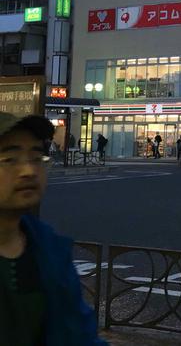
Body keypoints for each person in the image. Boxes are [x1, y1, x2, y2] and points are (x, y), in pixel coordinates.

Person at [0, 113, 106, 344]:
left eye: (37, 157)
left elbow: (79, 334)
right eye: (9, 159)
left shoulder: (50, 249)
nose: (28, 170)